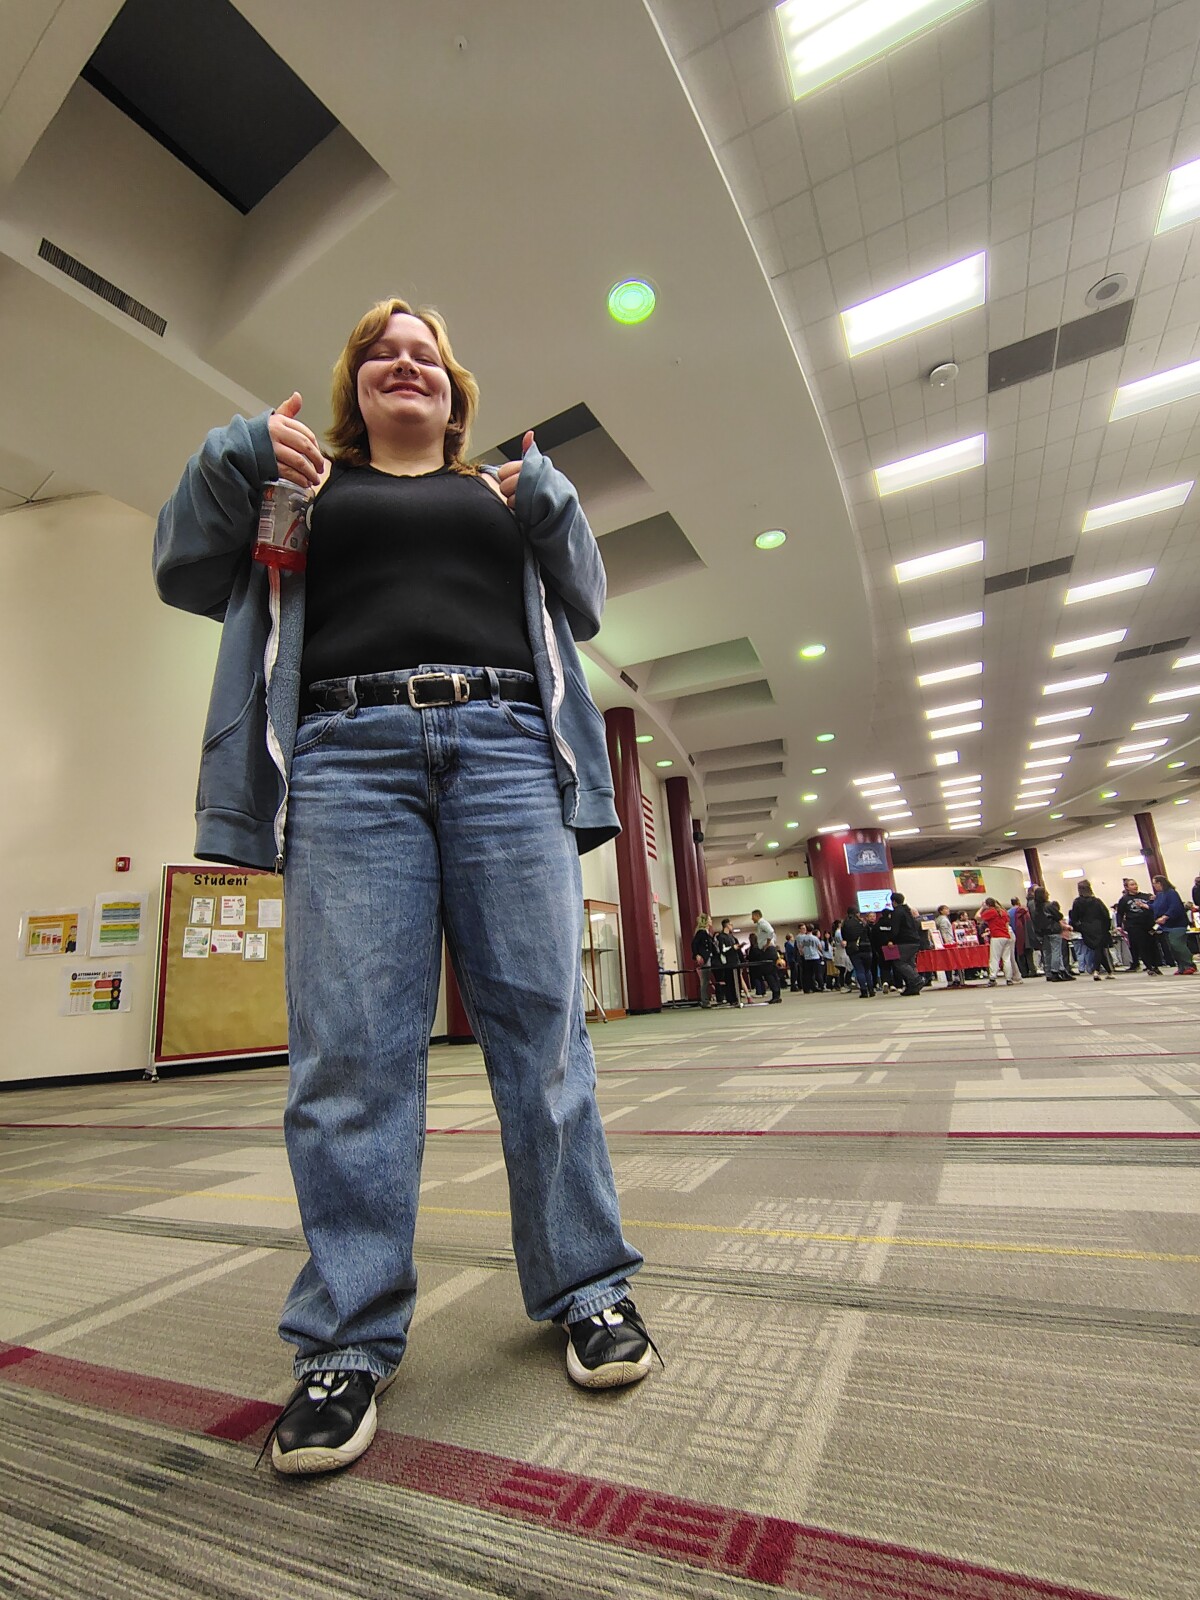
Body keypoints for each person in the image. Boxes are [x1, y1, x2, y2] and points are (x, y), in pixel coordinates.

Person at [154, 298, 656, 1476]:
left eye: (424, 351)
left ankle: (588, 1286)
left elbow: (584, 597)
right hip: (345, 755)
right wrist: (235, 452)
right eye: (381, 351)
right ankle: (345, 1339)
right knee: (349, 1053)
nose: (404, 362)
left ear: (455, 388)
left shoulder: (503, 494)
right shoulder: (305, 489)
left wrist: (552, 496)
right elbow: (183, 566)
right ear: (355, 385)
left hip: (505, 748)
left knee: (543, 1033)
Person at [1068, 880, 1114, 981]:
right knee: (1099, 949)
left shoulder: (1077, 902)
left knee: (1098, 949)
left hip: (1086, 928)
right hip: (1099, 927)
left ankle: (1109, 972)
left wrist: (1079, 928)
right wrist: (1107, 928)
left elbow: (1074, 917)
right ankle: (1096, 971)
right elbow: (1105, 915)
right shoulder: (1097, 901)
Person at [1151, 875, 1197, 974]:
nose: (1154, 886)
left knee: (1177, 944)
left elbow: (1175, 907)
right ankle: (1181, 967)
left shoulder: (1171, 893)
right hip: (1166, 926)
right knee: (1172, 948)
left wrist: (1165, 917)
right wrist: (1146, 905)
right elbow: (1156, 907)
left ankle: (1189, 964)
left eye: (1154, 883)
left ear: (1159, 883)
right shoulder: (1159, 895)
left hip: (1177, 925)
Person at [888, 891, 924, 997]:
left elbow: (895, 928)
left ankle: (916, 979)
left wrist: (891, 940)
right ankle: (912, 987)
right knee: (910, 963)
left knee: (900, 962)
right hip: (914, 940)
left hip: (904, 941)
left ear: (893, 902)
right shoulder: (908, 911)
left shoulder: (896, 912)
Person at [979, 897, 1019, 987]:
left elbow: (977, 917)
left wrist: (982, 908)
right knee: (1006, 959)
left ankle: (992, 978)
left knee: (994, 958)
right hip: (1007, 936)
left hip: (997, 937)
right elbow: (1006, 924)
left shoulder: (991, 911)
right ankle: (1009, 979)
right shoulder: (1003, 912)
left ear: (987, 904)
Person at [841, 905, 875, 997]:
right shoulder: (863, 922)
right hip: (866, 948)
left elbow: (844, 937)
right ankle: (871, 990)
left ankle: (864, 991)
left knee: (859, 970)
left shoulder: (845, 923)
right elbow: (869, 934)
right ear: (857, 913)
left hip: (853, 949)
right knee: (867, 970)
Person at [750, 910, 783, 1002]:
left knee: (768, 973)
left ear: (757, 915)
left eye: (753, 916)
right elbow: (773, 935)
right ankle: (776, 995)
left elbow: (771, 932)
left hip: (768, 951)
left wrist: (768, 943)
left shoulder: (762, 923)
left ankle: (776, 995)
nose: (752, 918)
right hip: (770, 950)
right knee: (772, 973)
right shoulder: (761, 924)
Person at [691, 913, 719, 1008]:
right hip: (705, 958)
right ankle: (704, 1000)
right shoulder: (701, 932)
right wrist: (697, 955)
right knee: (705, 980)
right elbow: (694, 944)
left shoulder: (707, 932)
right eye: (710, 919)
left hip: (709, 958)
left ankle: (706, 999)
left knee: (706, 980)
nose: (711, 921)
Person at [714, 918, 742, 1007]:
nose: (732, 926)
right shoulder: (721, 937)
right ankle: (731, 999)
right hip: (728, 963)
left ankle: (737, 997)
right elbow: (722, 950)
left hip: (735, 961)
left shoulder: (731, 936)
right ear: (726, 926)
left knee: (736, 981)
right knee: (730, 981)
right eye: (731, 924)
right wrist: (732, 948)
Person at [1009, 896, 1035, 978]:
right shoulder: (1024, 910)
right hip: (1025, 934)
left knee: (1019, 954)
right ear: (1018, 902)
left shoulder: (1008, 912)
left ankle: (1023, 972)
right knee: (1029, 953)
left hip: (1015, 934)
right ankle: (1032, 970)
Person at [795, 923, 823, 992]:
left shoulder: (804, 938)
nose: (804, 930)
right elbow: (820, 947)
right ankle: (819, 986)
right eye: (802, 928)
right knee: (815, 973)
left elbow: (802, 947)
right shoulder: (812, 938)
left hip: (807, 957)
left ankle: (810, 987)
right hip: (813, 956)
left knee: (809, 973)